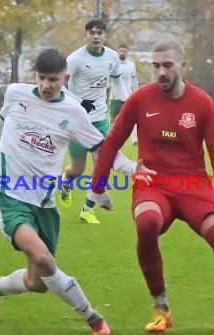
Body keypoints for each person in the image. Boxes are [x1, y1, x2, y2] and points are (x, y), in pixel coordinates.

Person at [0, 48, 148, 335]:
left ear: (65, 78)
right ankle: (93, 318)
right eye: (41, 78)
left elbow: (100, 147)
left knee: (37, 282)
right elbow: (0, 124)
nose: (45, 85)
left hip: (44, 204)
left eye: (53, 79)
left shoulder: (74, 111)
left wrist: (131, 168)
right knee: (45, 260)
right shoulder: (16, 94)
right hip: (8, 196)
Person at [90, 39, 214, 335]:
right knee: (147, 223)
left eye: (167, 65)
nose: (160, 72)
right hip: (153, 184)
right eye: (155, 66)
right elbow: (111, 141)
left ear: (182, 65)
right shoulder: (140, 99)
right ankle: (161, 309)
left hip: (193, 185)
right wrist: (97, 186)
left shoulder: (202, 103)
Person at [58, 19, 129, 224]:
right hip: (78, 122)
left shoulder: (112, 57)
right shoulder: (74, 59)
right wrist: (79, 102)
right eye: (92, 33)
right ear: (85, 36)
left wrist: (125, 101)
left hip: (100, 121)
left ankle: (87, 210)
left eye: (100, 33)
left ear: (105, 36)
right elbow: (59, 86)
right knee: (77, 169)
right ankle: (65, 183)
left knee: (102, 164)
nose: (96, 36)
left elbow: (116, 79)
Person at [109, 44, 139, 145]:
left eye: (124, 51)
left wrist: (136, 91)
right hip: (115, 96)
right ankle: (112, 138)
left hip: (128, 96)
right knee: (113, 119)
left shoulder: (131, 65)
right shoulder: (113, 64)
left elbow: (134, 79)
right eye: (121, 51)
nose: (122, 53)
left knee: (133, 118)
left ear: (127, 53)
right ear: (118, 52)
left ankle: (135, 140)